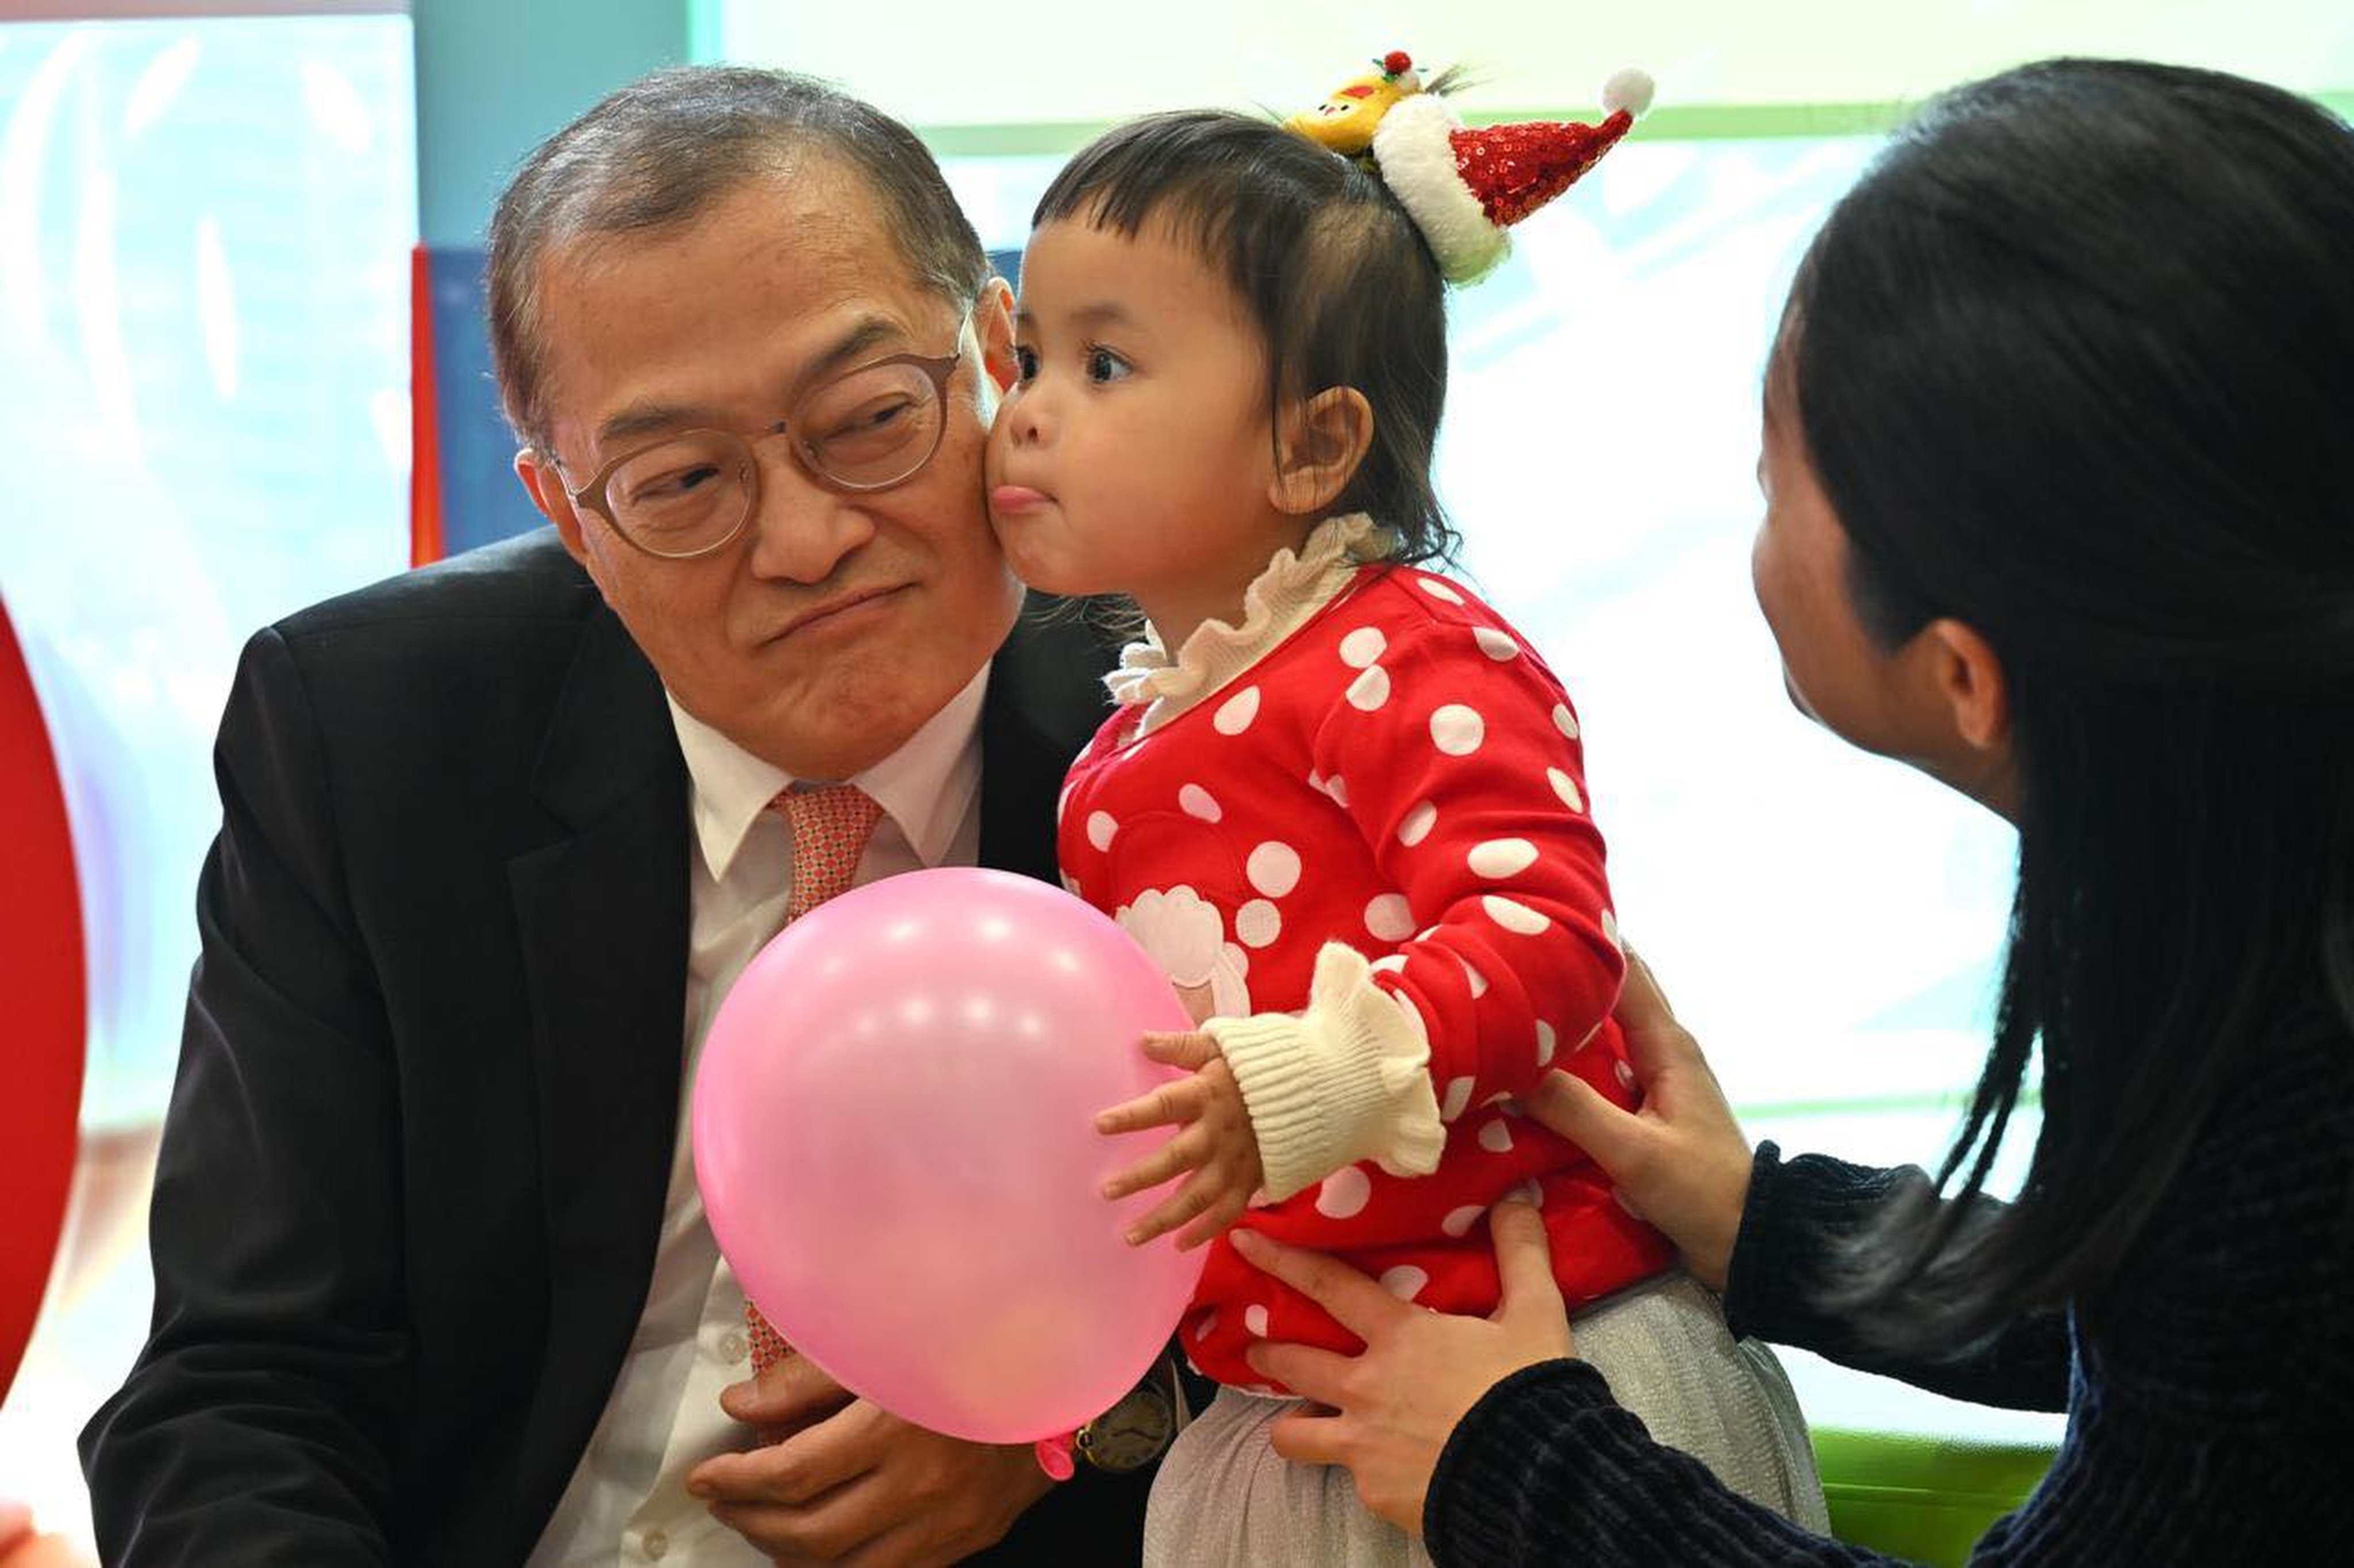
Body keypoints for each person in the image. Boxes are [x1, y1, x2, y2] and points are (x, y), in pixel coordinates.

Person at [1232, 57, 2354, 1562]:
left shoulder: (2300, 1125)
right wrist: (1775, 1232)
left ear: (1968, 677)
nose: (1749, 512)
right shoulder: (2237, 848)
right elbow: (2179, 1353)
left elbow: (2230, 1348)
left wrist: (1511, 1454)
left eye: (1774, 481)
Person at [78, 67, 1186, 1565]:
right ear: (566, 511)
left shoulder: (1217, 692)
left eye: (871, 419)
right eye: (680, 482)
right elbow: (240, 1392)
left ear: (998, 351)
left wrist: (1078, 1422)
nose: (807, 539)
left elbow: (1419, 1288)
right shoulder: (374, 734)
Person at [982, 63, 1824, 1568]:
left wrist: (1307, 1074)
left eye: (1102, 369)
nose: (1028, 414)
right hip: (1289, 1417)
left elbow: (1543, 938)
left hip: (1549, 1376)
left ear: (1313, 446)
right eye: (1028, 355)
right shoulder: (1118, 757)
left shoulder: (1407, 647)